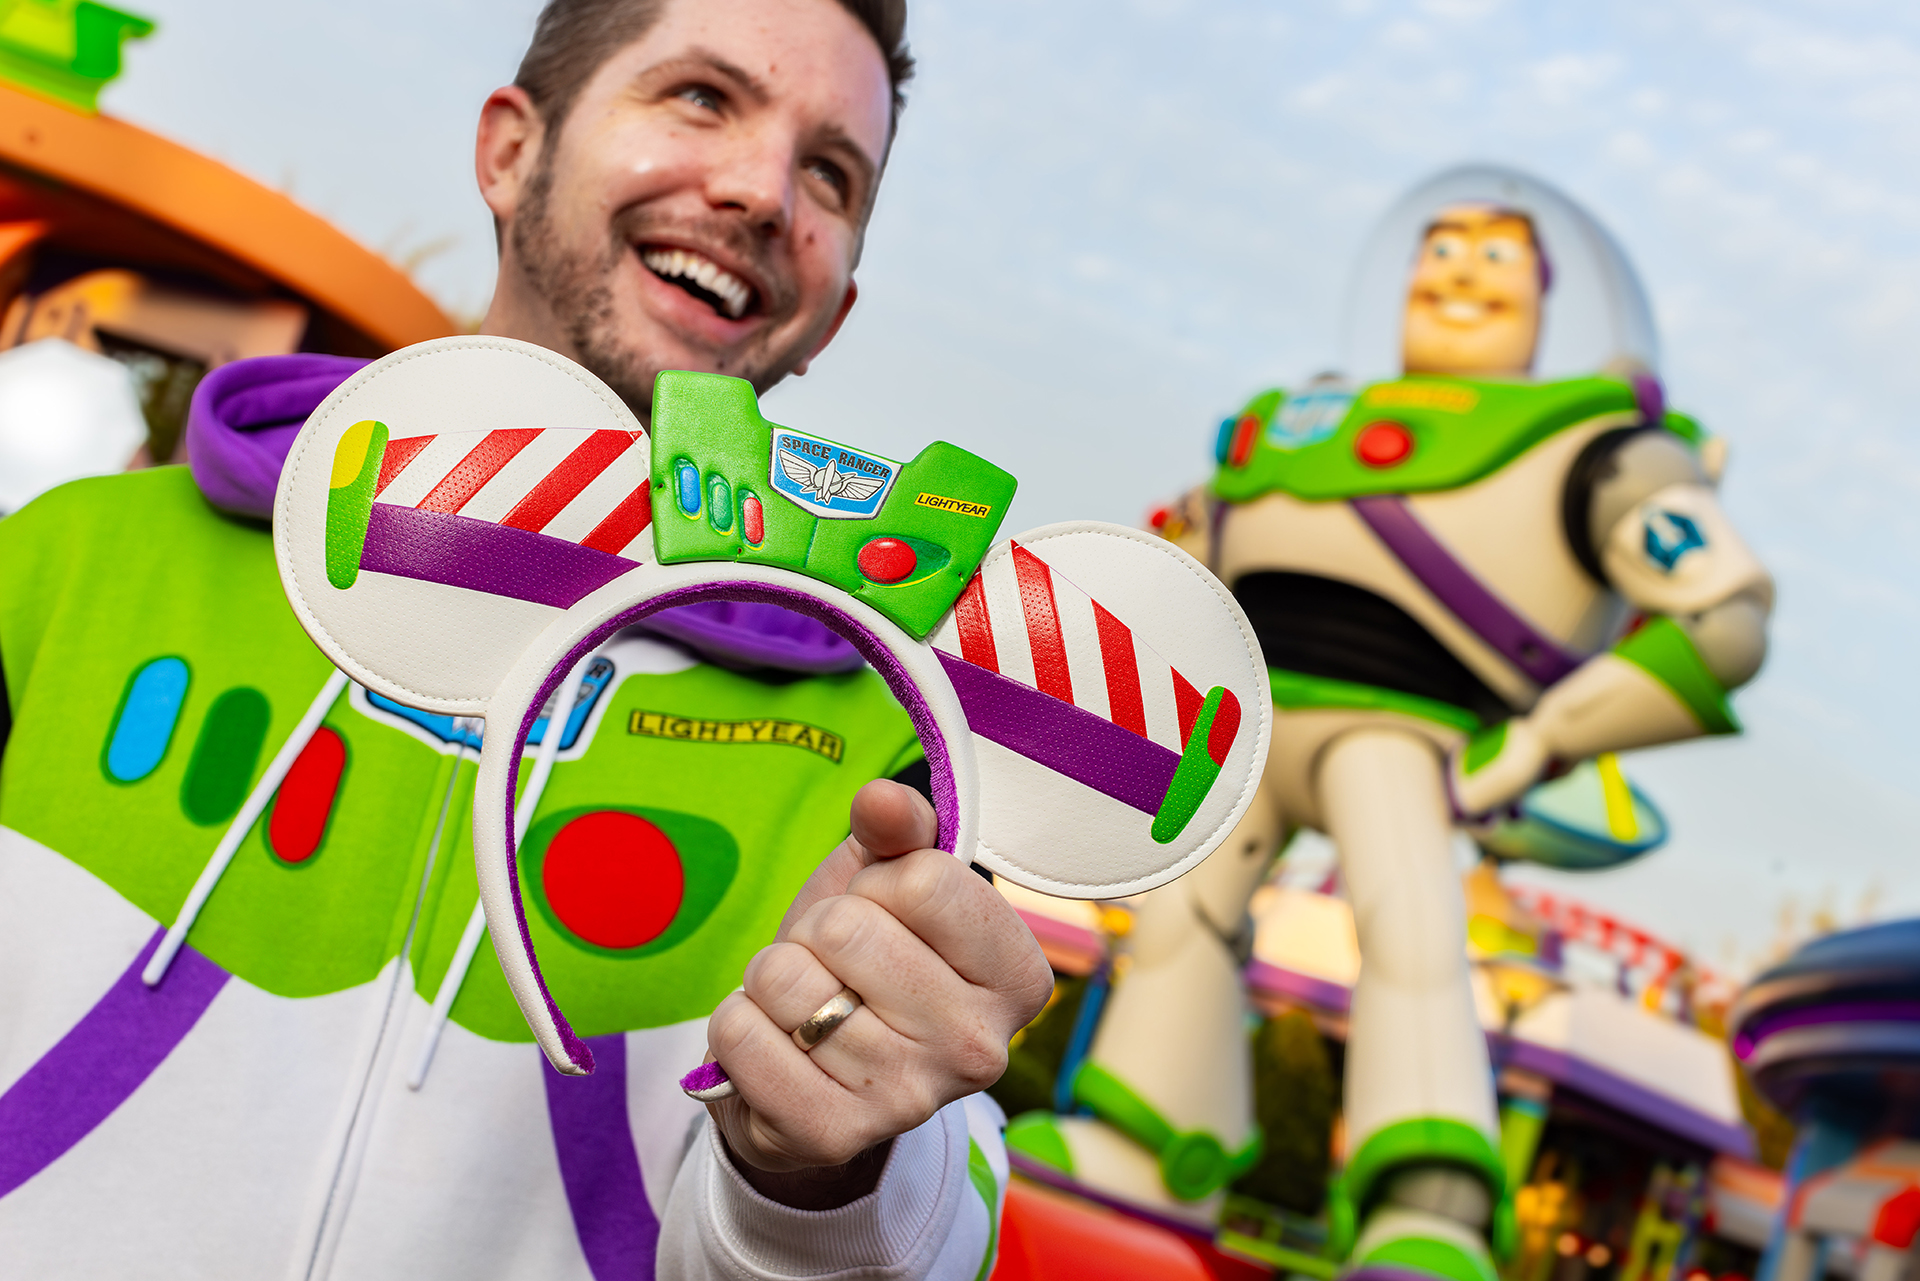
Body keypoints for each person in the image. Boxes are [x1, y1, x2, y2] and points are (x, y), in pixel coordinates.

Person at [0, 1, 1052, 1277]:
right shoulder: (70, 559)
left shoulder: (890, 748)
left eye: (831, 171)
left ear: (830, 316)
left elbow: (934, 1234)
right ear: (509, 152)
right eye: (703, 98)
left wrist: (835, 1171)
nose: (763, 191)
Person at [1008, 175, 1773, 1281]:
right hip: (1247, 720)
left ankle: (1431, 1200)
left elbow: (1721, 615)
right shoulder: (1293, 426)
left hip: (1404, 730)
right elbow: (1180, 557)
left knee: (1412, 934)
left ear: (1549, 298)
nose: (1461, 271)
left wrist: (1556, 731)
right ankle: (1150, 1142)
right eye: (1443, 247)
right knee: (1182, 912)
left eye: (1497, 256)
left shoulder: (1590, 441)